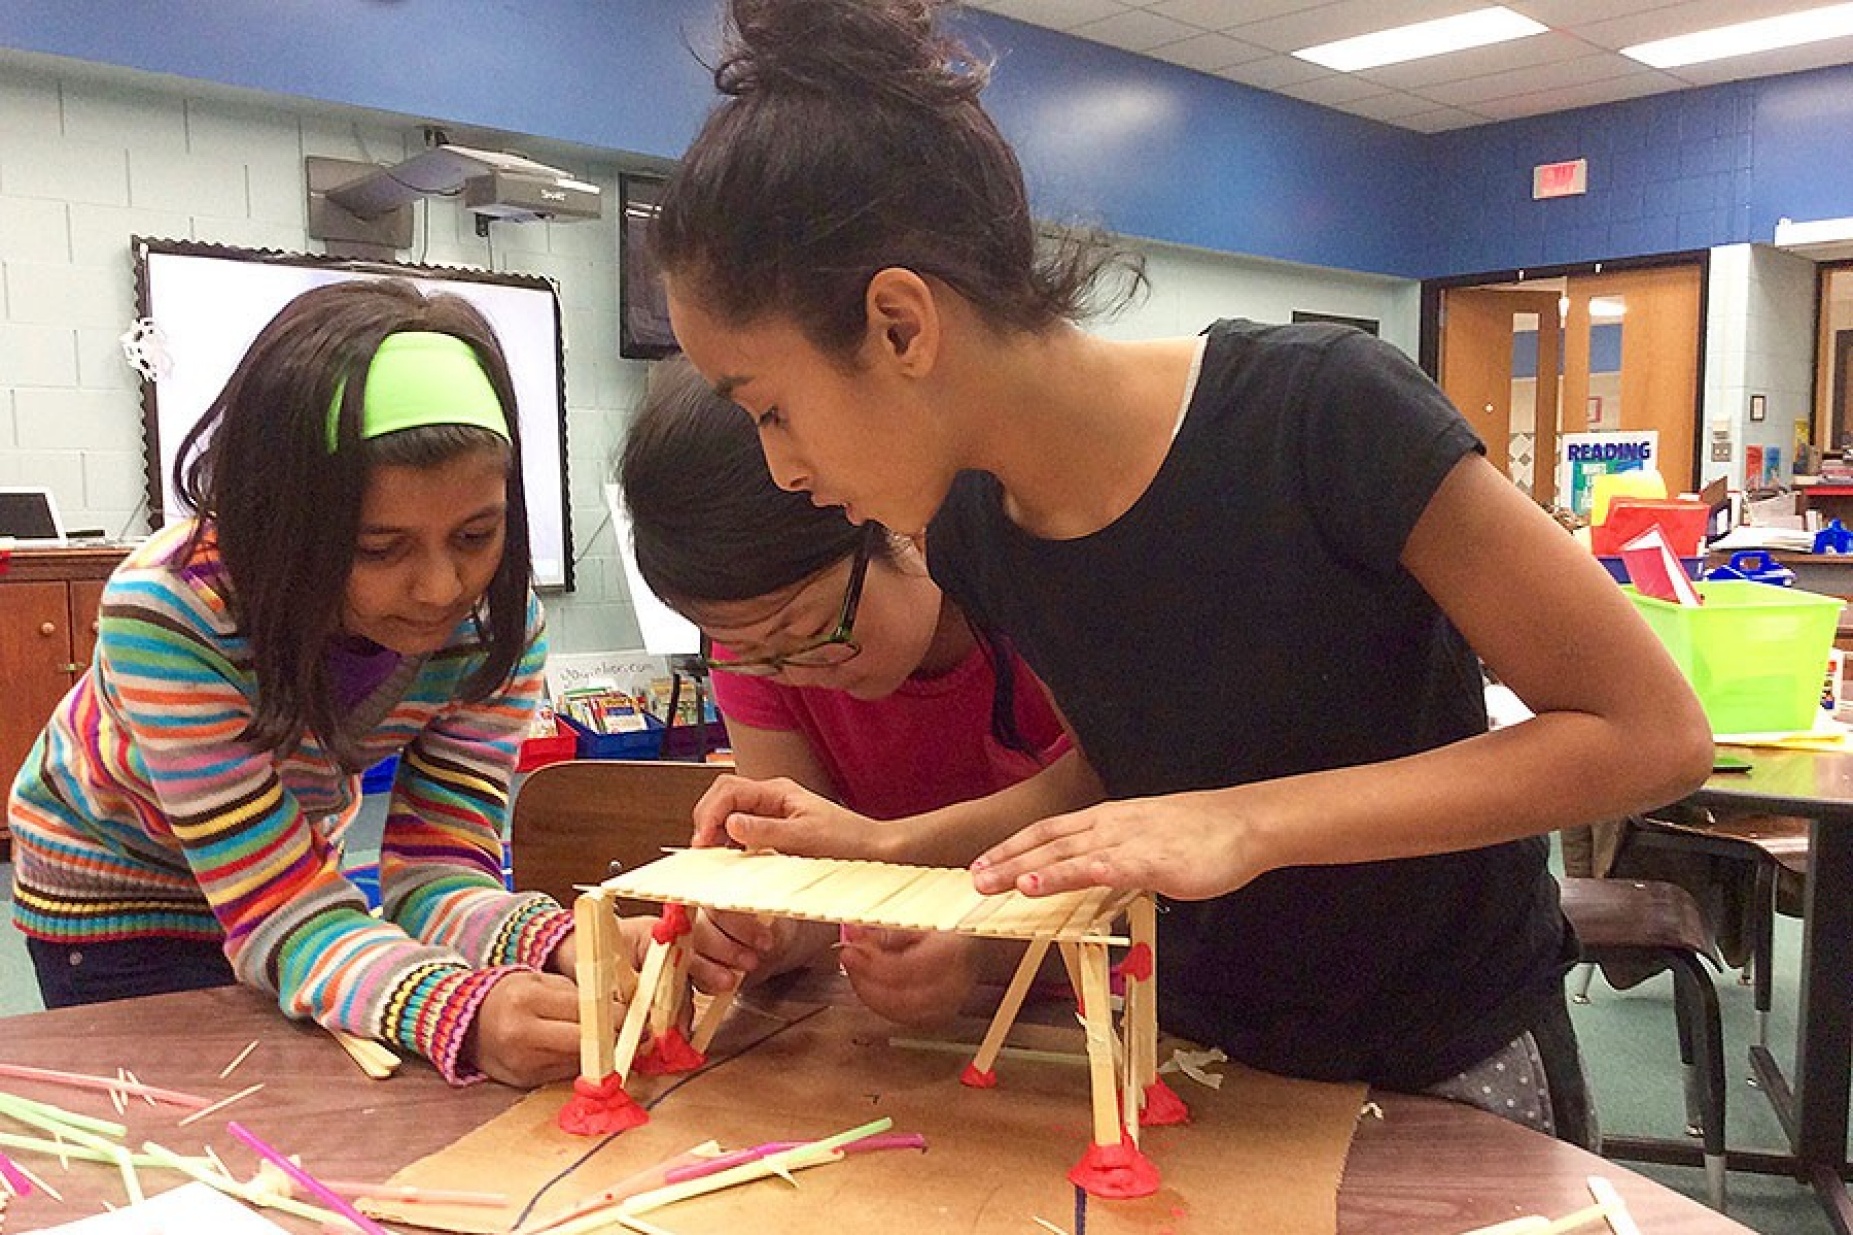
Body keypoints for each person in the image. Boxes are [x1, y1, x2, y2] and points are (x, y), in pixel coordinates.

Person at [646, 0, 1714, 1148]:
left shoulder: (1320, 413)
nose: (784, 468)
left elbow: (1646, 731)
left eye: (770, 409)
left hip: (1442, 1047)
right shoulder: (975, 527)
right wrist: (891, 845)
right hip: (1194, 1051)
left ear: (900, 326)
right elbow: (1137, 768)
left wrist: (1249, 823)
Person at [7, 279, 645, 1088]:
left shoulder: (493, 628)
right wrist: (462, 1011)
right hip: (118, 897)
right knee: (204, 1128)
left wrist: (559, 943)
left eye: (476, 534)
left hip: (292, 871)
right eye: (381, 548)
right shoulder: (172, 612)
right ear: (287, 521)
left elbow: (440, 867)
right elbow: (276, 908)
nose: (441, 587)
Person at [619, 353, 1070, 1023]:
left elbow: (1136, 842)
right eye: (749, 651)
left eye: (806, 626)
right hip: (887, 1050)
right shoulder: (760, 651)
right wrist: (760, 932)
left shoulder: (1046, 596)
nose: (791, 669)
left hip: (1112, 1020)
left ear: (890, 519)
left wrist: (986, 942)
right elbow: (816, 898)